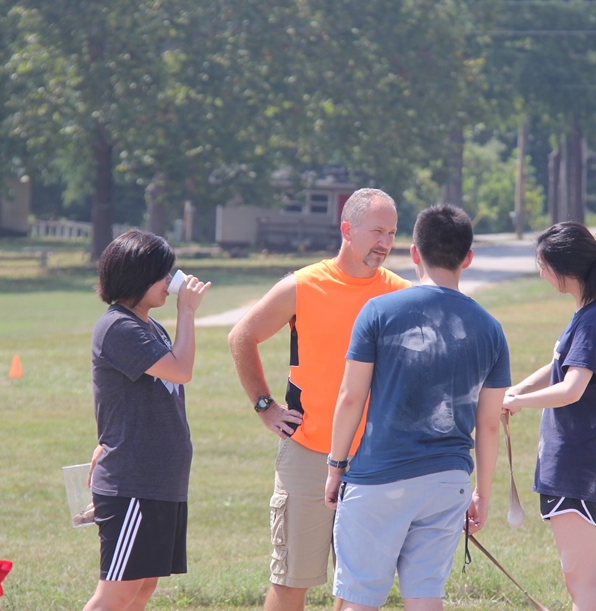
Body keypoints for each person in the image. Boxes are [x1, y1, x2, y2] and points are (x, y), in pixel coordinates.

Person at [227, 188, 411, 611]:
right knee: (291, 580)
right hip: (308, 454)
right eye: (377, 231)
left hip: (374, 460)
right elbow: (242, 336)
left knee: (358, 589)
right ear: (347, 230)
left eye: (392, 233)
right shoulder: (303, 285)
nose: (385, 242)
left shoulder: (401, 294)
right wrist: (264, 406)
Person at [324, 204, 510, 611]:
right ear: (468, 258)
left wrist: (336, 467)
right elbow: (488, 425)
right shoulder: (491, 329)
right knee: (426, 596)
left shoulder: (378, 312)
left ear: (413, 253)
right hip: (448, 481)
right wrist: (482, 493)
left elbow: (351, 396)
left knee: (359, 597)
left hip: (379, 477)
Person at [502, 221, 596, 611]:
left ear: (565, 269)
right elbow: (561, 364)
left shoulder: (594, 319)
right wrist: (517, 391)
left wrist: (521, 402)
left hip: (576, 465)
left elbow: (571, 388)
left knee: (583, 583)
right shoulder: (590, 313)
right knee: (579, 580)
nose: (541, 273)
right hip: (573, 465)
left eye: (543, 265)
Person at [83, 230, 211, 611]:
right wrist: (187, 311)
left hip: (159, 483)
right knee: (115, 595)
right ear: (137, 278)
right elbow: (181, 370)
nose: (169, 281)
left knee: (141, 590)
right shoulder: (118, 327)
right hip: (132, 483)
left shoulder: (149, 327)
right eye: (162, 274)